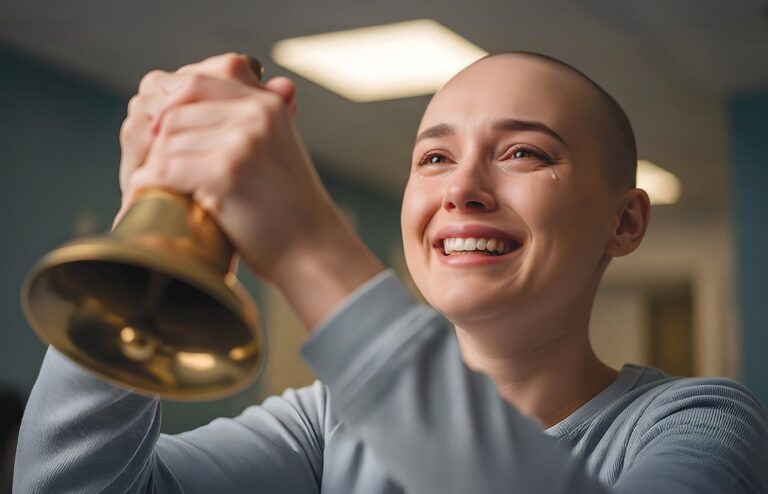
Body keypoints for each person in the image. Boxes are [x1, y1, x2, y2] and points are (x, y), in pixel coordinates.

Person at [13, 51, 768, 493]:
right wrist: (149, 216)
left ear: (625, 221)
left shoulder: (697, 424)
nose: (461, 189)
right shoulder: (325, 424)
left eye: (524, 153)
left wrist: (311, 247)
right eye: (434, 157)